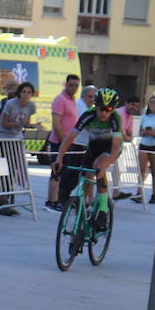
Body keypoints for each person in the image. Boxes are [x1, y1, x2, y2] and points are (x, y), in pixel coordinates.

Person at [52, 87, 123, 231]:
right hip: (93, 147)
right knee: (85, 179)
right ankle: (81, 217)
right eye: (101, 109)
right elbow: (68, 139)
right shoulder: (88, 115)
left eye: (108, 109)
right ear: (96, 106)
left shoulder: (115, 118)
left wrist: (105, 166)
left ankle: (103, 211)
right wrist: (59, 159)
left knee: (98, 166)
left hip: (110, 148)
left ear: (112, 109)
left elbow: (116, 148)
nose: (104, 113)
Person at [45, 75, 81, 211]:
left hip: (69, 143)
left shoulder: (72, 101)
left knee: (65, 173)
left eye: (76, 85)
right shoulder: (60, 100)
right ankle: (51, 201)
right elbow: (56, 122)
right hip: (59, 142)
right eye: (71, 85)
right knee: (56, 171)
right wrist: (63, 142)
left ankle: (59, 199)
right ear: (65, 84)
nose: (74, 88)